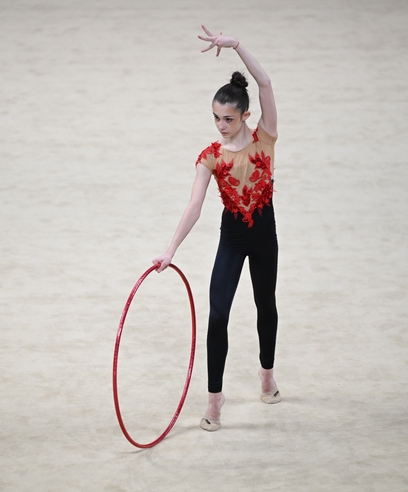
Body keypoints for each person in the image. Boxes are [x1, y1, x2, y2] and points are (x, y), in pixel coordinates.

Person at [153, 25, 280, 432]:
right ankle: (214, 399)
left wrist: (237, 45)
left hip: (264, 236)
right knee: (217, 315)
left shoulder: (265, 138)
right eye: (215, 117)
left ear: (245, 116)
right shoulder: (210, 157)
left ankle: (266, 374)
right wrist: (171, 250)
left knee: (265, 305)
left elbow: (264, 82)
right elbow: (194, 205)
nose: (220, 125)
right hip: (233, 238)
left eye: (228, 118)